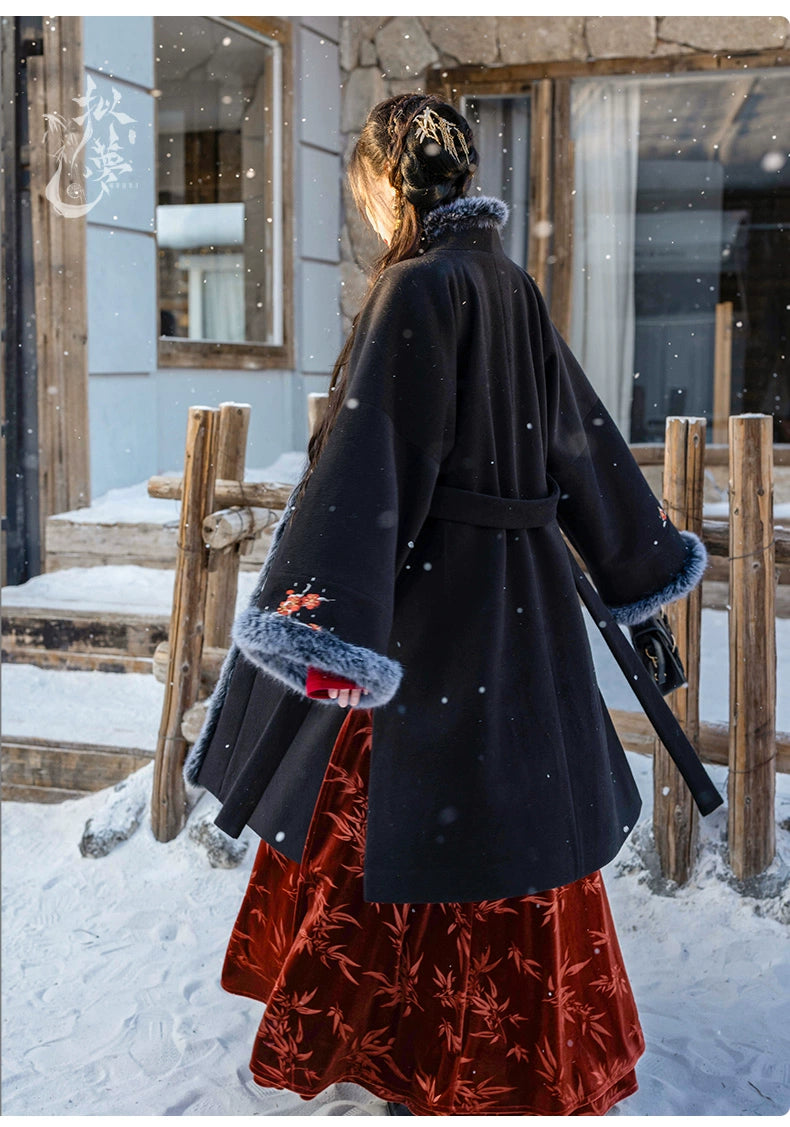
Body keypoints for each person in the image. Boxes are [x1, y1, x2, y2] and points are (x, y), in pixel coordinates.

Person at [184, 93, 714, 1116]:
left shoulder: (417, 289)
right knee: (501, 824)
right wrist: (630, 555)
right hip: (519, 612)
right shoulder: (506, 282)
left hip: (434, 613)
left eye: (365, 189)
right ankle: (509, 1042)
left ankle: (411, 1045)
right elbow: (580, 438)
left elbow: (372, 456)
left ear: (389, 186)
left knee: (405, 824)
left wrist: (320, 612)